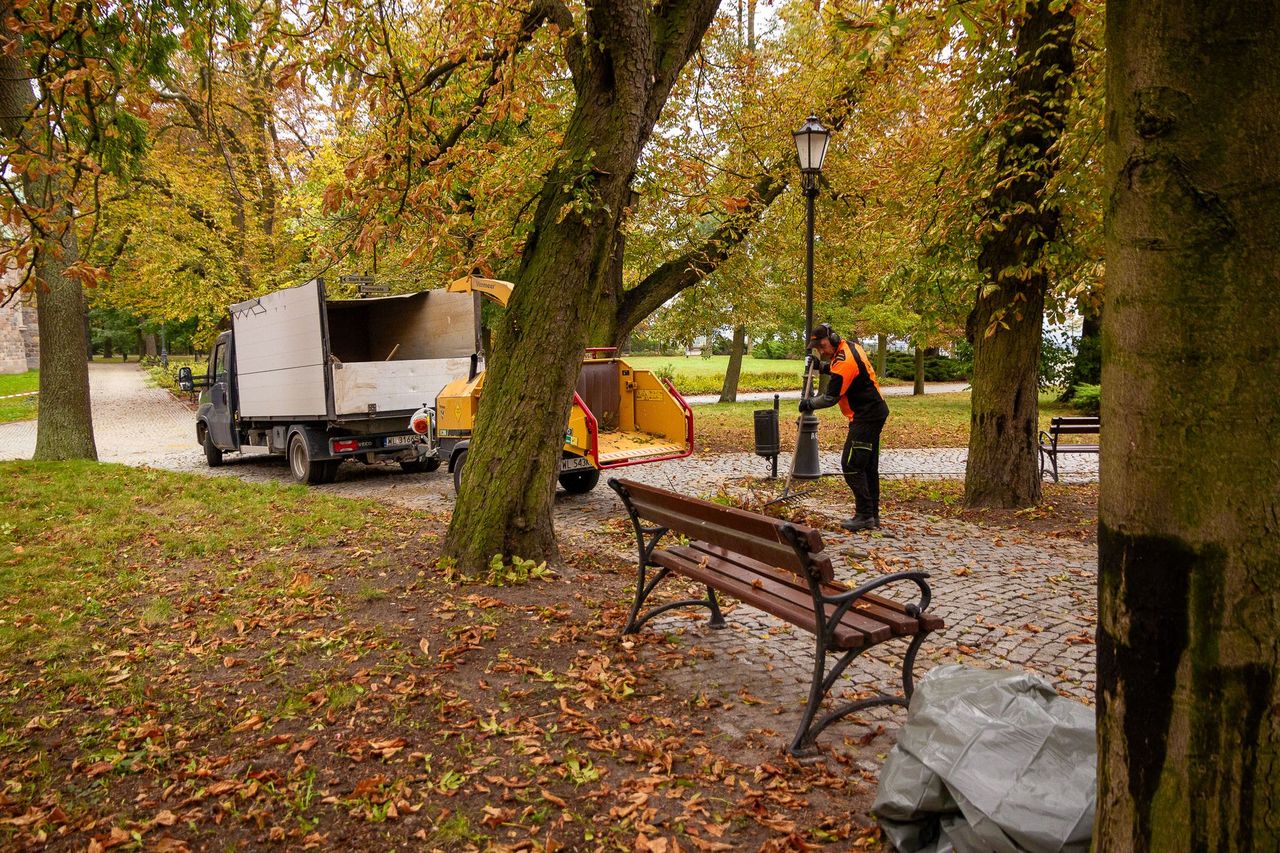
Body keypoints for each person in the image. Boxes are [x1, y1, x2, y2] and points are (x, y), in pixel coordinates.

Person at [799, 323, 889, 531]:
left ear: (832, 338)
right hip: (873, 412)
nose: (820, 351)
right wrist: (822, 367)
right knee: (867, 466)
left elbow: (831, 397)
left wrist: (809, 404)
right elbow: (837, 368)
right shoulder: (851, 347)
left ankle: (865, 515)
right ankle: (872, 515)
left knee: (851, 465)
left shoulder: (845, 361)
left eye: (821, 346)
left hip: (866, 417)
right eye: (817, 349)